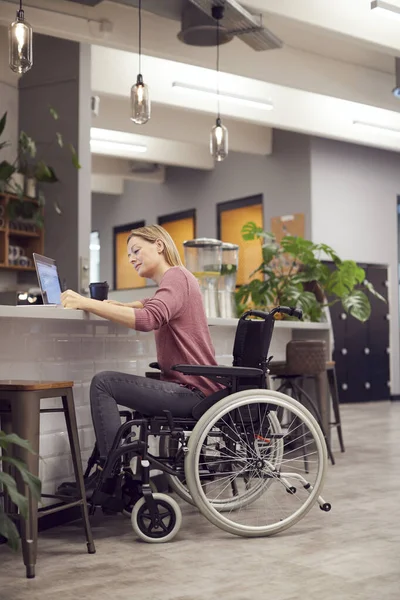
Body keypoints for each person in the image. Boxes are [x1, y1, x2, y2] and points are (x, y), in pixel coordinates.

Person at [60, 224, 223, 471]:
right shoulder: (179, 278)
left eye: (136, 250)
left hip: (193, 392)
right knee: (107, 383)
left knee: (104, 383)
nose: (132, 259)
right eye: (129, 255)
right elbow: (152, 303)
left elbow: (149, 318)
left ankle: (112, 475)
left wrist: (88, 303)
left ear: (159, 245)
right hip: (195, 388)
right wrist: (123, 305)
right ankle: (115, 472)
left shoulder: (177, 277)